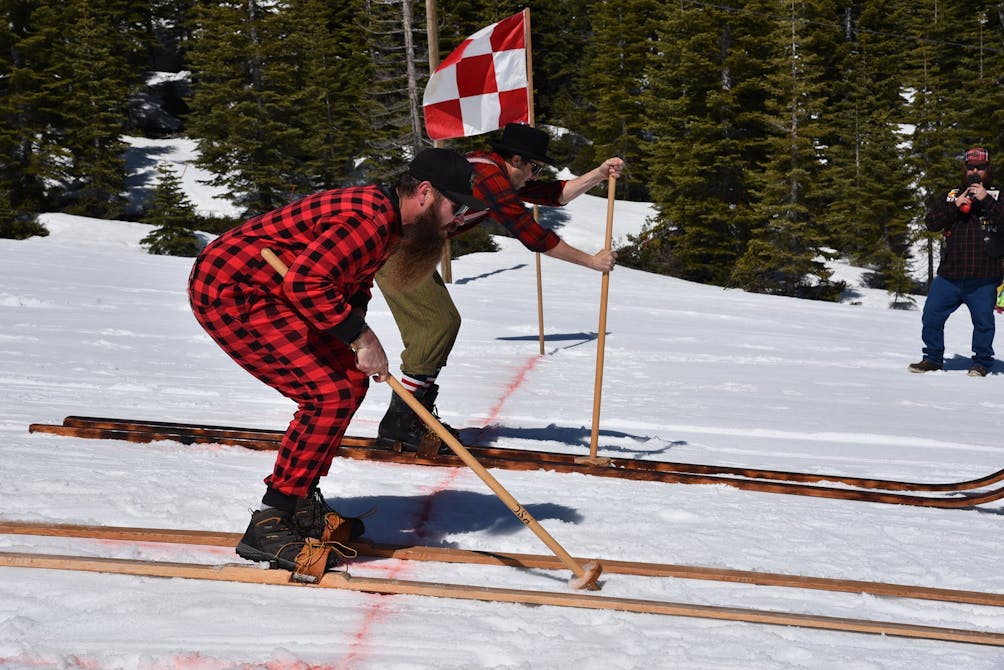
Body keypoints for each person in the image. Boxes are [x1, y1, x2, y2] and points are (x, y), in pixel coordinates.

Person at [187, 148, 487, 579]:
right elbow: (307, 281)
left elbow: (351, 284)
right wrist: (361, 337)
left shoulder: (389, 224)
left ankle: (300, 503)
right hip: (235, 290)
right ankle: (271, 522)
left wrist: (356, 337)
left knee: (347, 383)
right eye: (454, 206)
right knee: (326, 393)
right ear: (424, 193)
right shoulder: (369, 220)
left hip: (277, 293)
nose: (457, 219)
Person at [375, 123, 624, 448]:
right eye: (534, 167)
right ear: (517, 160)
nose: (534, 175)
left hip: (408, 248)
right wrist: (591, 261)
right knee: (436, 325)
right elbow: (533, 236)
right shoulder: (488, 178)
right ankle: (401, 421)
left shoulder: (497, 174)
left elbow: (554, 194)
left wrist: (599, 174)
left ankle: (410, 416)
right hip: (392, 245)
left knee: (441, 325)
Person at [909, 147, 1004, 378]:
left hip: (983, 276)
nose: (975, 172)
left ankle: (981, 362)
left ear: (987, 170)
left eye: (980, 168)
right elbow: (931, 222)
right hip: (950, 275)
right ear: (965, 169)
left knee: (983, 322)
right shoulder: (952, 195)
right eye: (971, 167)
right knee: (931, 315)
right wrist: (955, 205)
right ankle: (932, 358)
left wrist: (986, 201)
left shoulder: (998, 196)